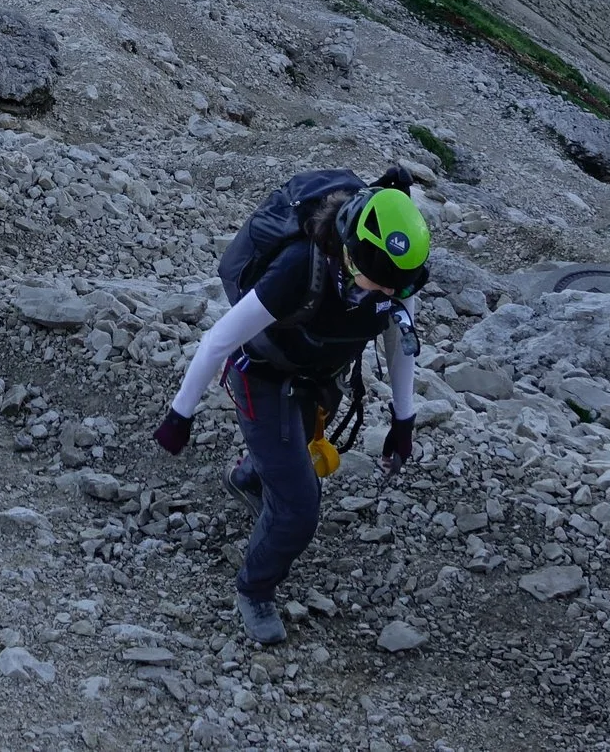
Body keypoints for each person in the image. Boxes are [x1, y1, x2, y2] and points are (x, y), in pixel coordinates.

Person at [150, 173, 433, 644]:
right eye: (381, 284)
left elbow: (400, 343)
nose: (389, 293)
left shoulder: (393, 279)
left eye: (397, 288)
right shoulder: (299, 268)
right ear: (350, 252)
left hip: (317, 379)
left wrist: (404, 421)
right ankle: (254, 590)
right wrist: (180, 415)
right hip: (261, 378)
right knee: (299, 510)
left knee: (287, 460)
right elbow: (218, 340)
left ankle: (248, 478)